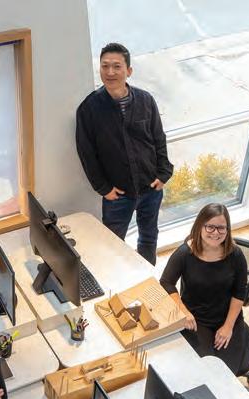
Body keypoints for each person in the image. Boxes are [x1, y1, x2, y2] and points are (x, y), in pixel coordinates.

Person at [76, 42, 173, 265]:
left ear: (128, 71)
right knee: (112, 244)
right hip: (117, 195)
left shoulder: (146, 100)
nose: (110, 72)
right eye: (105, 66)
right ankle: (118, 280)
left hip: (151, 188)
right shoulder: (88, 109)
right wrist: (104, 188)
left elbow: (158, 138)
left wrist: (163, 173)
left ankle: (147, 276)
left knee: (149, 237)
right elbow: (87, 154)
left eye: (117, 66)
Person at [160, 203, 249, 374]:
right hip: (197, 320)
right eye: (210, 227)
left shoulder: (236, 254)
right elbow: (166, 283)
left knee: (225, 374)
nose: (216, 233)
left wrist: (228, 327)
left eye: (221, 228)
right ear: (200, 226)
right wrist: (183, 311)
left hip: (228, 318)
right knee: (203, 372)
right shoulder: (185, 253)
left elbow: (240, 292)